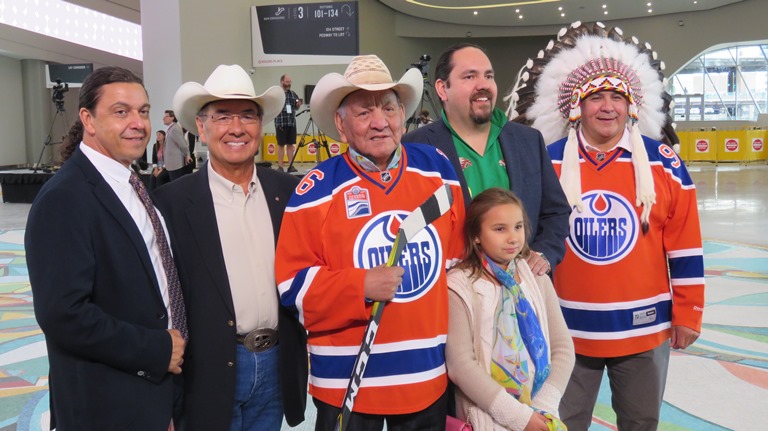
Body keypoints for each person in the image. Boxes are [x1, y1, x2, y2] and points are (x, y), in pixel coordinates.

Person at [509, 23, 706, 430]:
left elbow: (684, 242)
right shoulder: (547, 160)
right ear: (576, 105)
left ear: (632, 105)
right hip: (564, 330)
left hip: (644, 326)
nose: (607, 106)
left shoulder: (663, 163)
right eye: (595, 96)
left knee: (641, 421)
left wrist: (688, 312)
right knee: (562, 423)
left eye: (617, 96)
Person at [275, 54, 466, 431]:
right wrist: (359, 286)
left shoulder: (438, 168)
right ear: (342, 126)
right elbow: (291, 286)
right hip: (346, 384)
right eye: (364, 113)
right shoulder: (316, 188)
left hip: (426, 376)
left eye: (389, 109)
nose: (380, 122)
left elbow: (459, 263)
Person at [25, 66, 186, 430]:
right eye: (121, 111)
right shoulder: (64, 198)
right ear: (88, 119)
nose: (138, 123)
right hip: (107, 405)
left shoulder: (134, 184)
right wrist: (157, 350)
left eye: (143, 111)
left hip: (158, 396)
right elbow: (63, 315)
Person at [153, 64, 308, 431]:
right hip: (206, 370)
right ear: (202, 129)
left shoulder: (288, 193)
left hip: (276, 363)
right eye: (222, 117)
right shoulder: (170, 203)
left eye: (247, 117)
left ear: (260, 126)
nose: (236, 128)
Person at [403, 43, 570, 276]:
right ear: (442, 89)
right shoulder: (414, 148)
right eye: (470, 76)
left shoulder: (528, 141)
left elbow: (556, 212)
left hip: (521, 289)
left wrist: (544, 253)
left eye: (488, 76)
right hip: (452, 293)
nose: (483, 85)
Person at [446, 188, 574, 431]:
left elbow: (563, 348)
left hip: (541, 417)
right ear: (476, 236)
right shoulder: (459, 286)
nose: (513, 238)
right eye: (499, 229)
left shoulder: (535, 277)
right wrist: (519, 418)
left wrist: (543, 409)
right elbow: (461, 365)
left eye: (518, 227)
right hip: (489, 420)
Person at [274, 74, 302, 172]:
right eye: (287, 82)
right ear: (282, 82)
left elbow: (297, 106)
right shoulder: (277, 94)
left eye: (290, 82)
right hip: (281, 123)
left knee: (290, 145)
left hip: (291, 123)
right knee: (281, 145)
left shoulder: (293, 94)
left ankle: (291, 165)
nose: (289, 84)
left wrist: (298, 104)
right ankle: (280, 166)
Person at [163, 109, 192, 180]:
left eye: (166, 116)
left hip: (175, 164)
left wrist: (187, 155)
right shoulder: (170, 129)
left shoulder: (174, 129)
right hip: (171, 164)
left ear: (172, 118)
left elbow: (183, 144)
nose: (163, 118)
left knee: (176, 184)